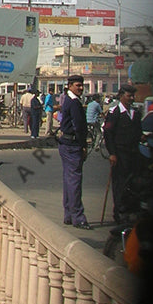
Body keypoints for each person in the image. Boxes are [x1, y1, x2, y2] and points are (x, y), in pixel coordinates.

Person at [103, 83, 143, 224]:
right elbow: (108, 134)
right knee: (120, 184)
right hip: (119, 153)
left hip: (133, 153)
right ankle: (119, 212)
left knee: (132, 183)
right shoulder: (114, 113)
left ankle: (130, 210)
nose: (132, 98)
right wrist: (112, 153)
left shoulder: (135, 113)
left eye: (133, 95)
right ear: (121, 96)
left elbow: (138, 132)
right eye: (129, 95)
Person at [58, 75, 91, 228]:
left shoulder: (67, 100)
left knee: (68, 180)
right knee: (75, 181)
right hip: (72, 145)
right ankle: (78, 217)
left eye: (82, 85)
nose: (81, 88)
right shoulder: (74, 102)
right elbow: (79, 126)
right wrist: (83, 145)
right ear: (70, 86)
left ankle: (69, 214)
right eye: (78, 85)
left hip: (65, 143)